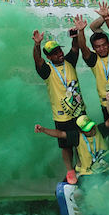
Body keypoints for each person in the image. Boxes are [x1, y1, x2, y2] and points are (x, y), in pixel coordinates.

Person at [33, 27, 86, 175]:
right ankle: (70, 171)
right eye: (55, 53)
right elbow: (37, 60)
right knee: (66, 146)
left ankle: (81, 167)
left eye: (59, 50)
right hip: (62, 115)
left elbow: (75, 47)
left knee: (80, 141)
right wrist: (37, 45)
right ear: (49, 57)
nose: (59, 54)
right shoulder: (47, 70)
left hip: (79, 111)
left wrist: (75, 36)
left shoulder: (69, 61)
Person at [34, 112, 109, 185]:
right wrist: (43, 129)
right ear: (81, 131)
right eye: (88, 129)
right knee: (79, 195)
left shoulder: (99, 129)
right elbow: (60, 134)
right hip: (87, 173)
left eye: (92, 126)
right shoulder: (77, 136)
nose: (92, 130)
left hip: (106, 170)